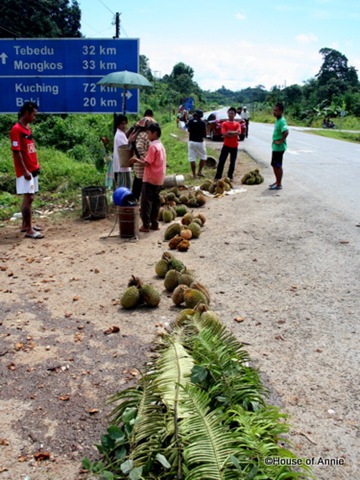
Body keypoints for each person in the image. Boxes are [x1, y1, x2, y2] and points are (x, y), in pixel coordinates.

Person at [10, 101, 44, 239]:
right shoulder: (16, 130)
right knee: (29, 197)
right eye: (33, 115)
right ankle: (29, 230)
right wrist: (24, 171)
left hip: (33, 168)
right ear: (26, 113)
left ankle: (26, 225)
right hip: (26, 171)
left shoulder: (27, 128)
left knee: (29, 197)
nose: (34, 117)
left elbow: (28, 148)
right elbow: (16, 152)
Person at [130, 123, 166, 232]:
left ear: (155, 133)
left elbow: (147, 163)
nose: (147, 135)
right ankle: (154, 223)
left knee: (146, 202)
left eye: (149, 133)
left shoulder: (153, 146)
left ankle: (145, 225)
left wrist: (136, 160)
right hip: (159, 178)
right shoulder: (161, 146)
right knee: (155, 201)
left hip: (150, 178)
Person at [128, 116, 156, 200]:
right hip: (141, 164)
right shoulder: (144, 135)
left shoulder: (137, 134)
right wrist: (144, 157)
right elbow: (139, 147)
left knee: (137, 182)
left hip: (138, 163)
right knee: (140, 184)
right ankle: (137, 201)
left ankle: (135, 200)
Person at [214, 107, 241, 181]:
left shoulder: (237, 124)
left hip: (234, 146)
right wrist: (234, 133)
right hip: (226, 145)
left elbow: (238, 132)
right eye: (229, 113)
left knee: (232, 162)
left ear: (235, 114)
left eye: (232, 113)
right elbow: (224, 133)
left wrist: (229, 132)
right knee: (222, 161)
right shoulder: (224, 123)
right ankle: (218, 176)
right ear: (227, 114)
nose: (230, 115)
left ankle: (230, 176)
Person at [269, 102, 289, 190]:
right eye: (274, 110)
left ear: (281, 111)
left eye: (276, 111)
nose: (274, 112)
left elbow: (286, 132)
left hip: (279, 148)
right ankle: (277, 181)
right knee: (274, 164)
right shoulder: (278, 120)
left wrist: (280, 141)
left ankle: (279, 184)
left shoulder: (282, 121)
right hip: (275, 147)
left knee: (277, 165)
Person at [186, 109, 207, 178]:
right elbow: (205, 134)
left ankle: (194, 174)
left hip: (191, 141)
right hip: (200, 142)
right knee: (203, 157)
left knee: (192, 158)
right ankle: (199, 171)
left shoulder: (191, 121)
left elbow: (188, 130)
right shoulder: (203, 123)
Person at [113, 114, 131, 189]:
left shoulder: (121, 134)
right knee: (124, 186)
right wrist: (131, 140)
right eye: (121, 124)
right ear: (118, 125)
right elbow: (126, 148)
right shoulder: (120, 135)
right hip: (122, 166)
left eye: (124, 123)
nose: (124, 126)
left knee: (125, 185)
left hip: (123, 166)